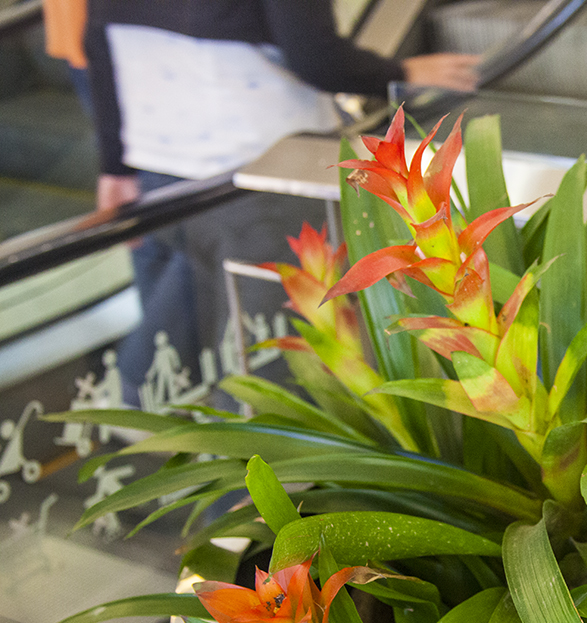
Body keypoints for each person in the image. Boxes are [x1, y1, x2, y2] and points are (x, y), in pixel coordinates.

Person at [82, 0, 481, 401]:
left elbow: (96, 40)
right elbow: (314, 56)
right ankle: (241, 449)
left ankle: (133, 401)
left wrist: (115, 168)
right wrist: (405, 73)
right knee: (270, 340)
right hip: (260, 166)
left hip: (159, 166)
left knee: (202, 281)